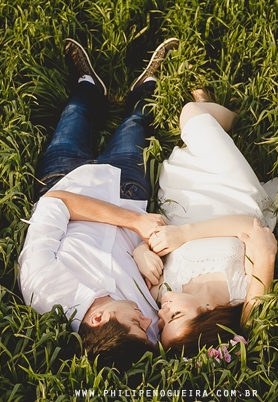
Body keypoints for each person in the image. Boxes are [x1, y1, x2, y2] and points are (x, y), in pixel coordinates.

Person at [18, 37, 179, 369]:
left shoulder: (43, 287)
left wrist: (135, 225)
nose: (149, 323)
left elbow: (56, 202)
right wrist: (142, 248)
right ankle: (146, 85)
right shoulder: (145, 327)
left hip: (66, 177)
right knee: (136, 123)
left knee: (76, 112)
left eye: (138, 324)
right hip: (126, 190)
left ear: (98, 319)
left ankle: (89, 86)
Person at [131, 89, 278, 352]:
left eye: (162, 325)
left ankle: (216, 120)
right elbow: (250, 227)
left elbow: (149, 244)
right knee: (192, 114)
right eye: (175, 316)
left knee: (191, 128)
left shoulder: (162, 291)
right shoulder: (240, 290)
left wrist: (140, 252)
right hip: (233, 196)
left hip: (185, 199)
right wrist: (184, 235)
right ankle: (234, 118)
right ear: (207, 312)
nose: (162, 314)